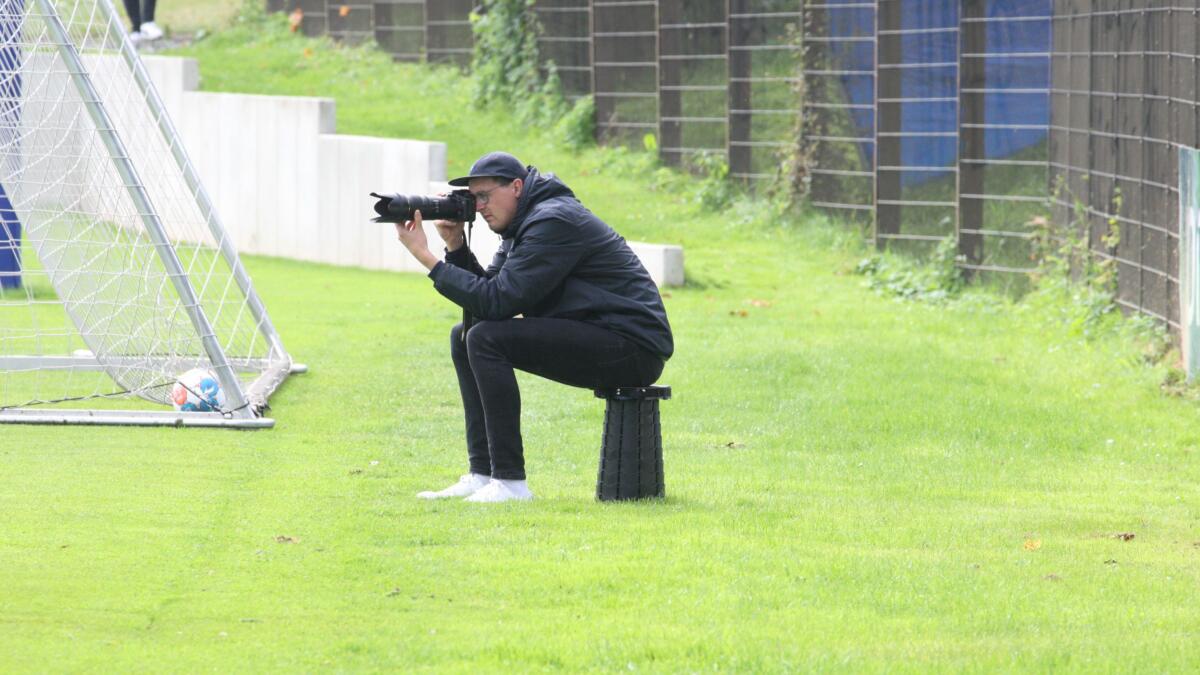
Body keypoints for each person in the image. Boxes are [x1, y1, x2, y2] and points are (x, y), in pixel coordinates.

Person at [393, 151, 673, 503]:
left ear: (516, 187)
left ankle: (511, 483)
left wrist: (426, 258)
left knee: (484, 339)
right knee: (466, 334)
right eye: (473, 198)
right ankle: (483, 473)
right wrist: (455, 246)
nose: (478, 207)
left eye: (484, 196)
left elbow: (497, 301)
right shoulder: (522, 225)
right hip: (600, 334)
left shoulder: (554, 221)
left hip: (632, 347)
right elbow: (488, 301)